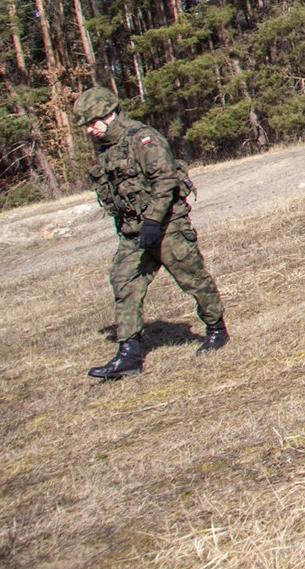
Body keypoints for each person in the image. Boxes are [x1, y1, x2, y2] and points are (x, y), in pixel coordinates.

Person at [73, 86, 228, 379]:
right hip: (134, 232)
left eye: (92, 122)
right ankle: (128, 353)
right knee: (124, 282)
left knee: (193, 279)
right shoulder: (106, 149)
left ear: (109, 113)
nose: (89, 130)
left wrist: (154, 222)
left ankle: (216, 329)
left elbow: (166, 180)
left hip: (167, 226)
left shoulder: (143, 139)